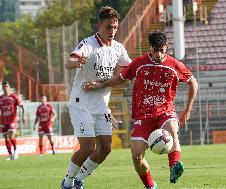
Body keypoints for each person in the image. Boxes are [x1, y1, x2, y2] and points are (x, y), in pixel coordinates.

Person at [83, 31, 198, 188]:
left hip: (165, 111)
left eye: (162, 50)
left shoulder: (174, 65)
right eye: (155, 50)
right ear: (150, 47)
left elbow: (193, 83)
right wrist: (100, 84)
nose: (158, 54)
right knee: (136, 156)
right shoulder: (139, 63)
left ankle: (174, 166)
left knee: (172, 130)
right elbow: (121, 78)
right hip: (143, 117)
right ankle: (150, 185)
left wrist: (187, 109)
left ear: (167, 47)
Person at [61, 6, 131, 189]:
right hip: (81, 103)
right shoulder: (88, 44)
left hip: (101, 106)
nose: (112, 31)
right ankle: (67, 183)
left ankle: (79, 180)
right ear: (99, 25)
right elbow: (68, 62)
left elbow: (128, 72)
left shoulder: (118, 48)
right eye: (109, 27)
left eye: (115, 27)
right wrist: (76, 62)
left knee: (106, 148)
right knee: (87, 147)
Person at [0, 81, 25, 160]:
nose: (5, 88)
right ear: (2, 88)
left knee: (11, 136)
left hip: (12, 120)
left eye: (6, 86)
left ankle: (16, 149)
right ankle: (10, 155)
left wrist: (23, 116)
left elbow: (22, 106)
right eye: (4, 86)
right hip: (3, 120)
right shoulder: (0, 98)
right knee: (6, 138)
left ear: (9, 87)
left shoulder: (13, 96)